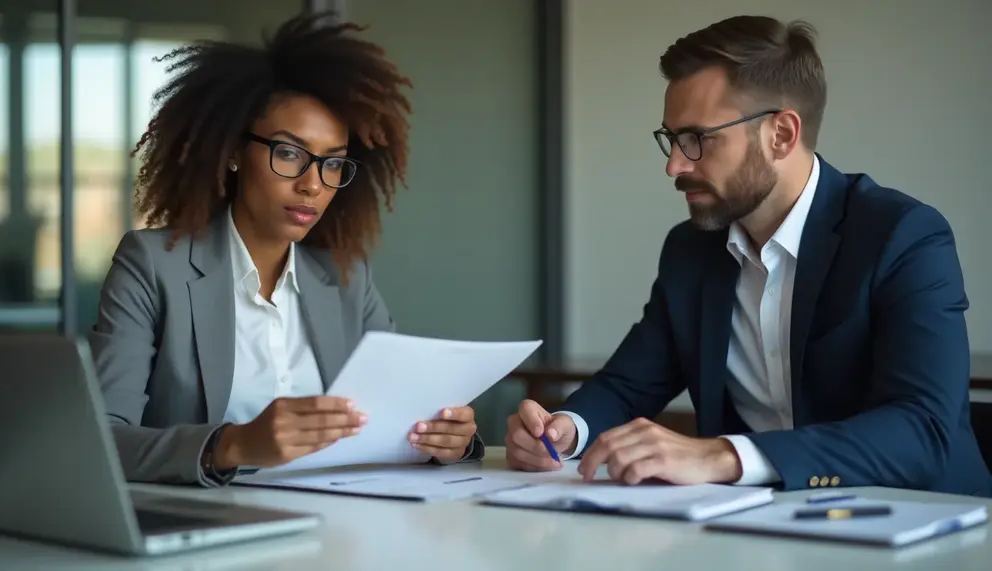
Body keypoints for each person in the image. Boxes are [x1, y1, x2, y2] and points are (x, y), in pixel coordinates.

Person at [505, 15, 992, 496]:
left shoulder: (902, 236)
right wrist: (564, 430)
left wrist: (723, 455)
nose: (675, 164)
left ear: (781, 134)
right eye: (672, 140)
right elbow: (629, 385)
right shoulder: (690, 251)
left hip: (925, 522)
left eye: (697, 139)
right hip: (761, 528)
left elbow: (923, 430)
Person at [89, 13, 483, 487]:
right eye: (290, 153)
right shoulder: (153, 265)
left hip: (338, 527)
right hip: (203, 530)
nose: (312, 184)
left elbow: (400, 416)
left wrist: (446, 439)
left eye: (332, 163)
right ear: (234, 152)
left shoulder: (345, 277)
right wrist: (231, 444)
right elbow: (102, 441)